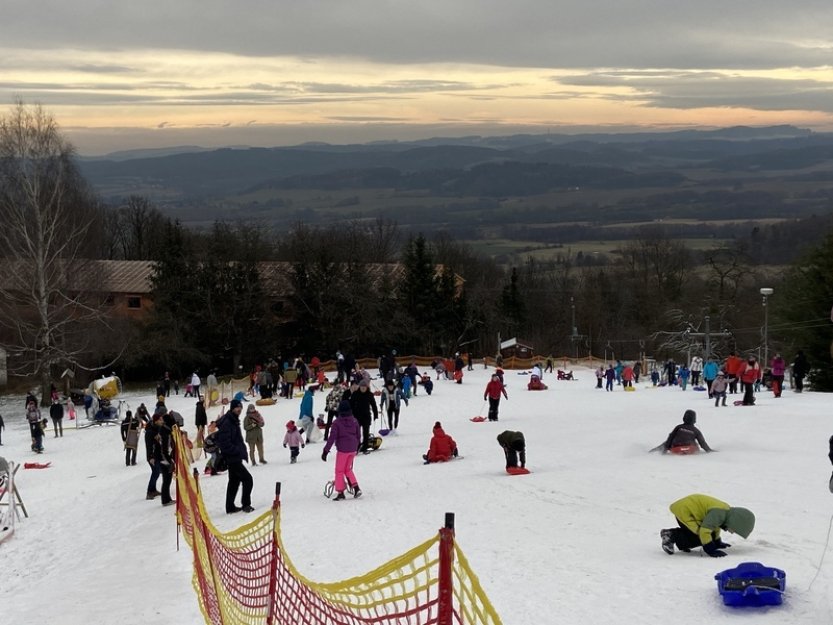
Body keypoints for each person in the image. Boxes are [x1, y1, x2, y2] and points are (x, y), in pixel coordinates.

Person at [660, 493, 755, 556]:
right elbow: (704, 531)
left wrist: (717, 542)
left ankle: (680, 540)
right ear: (735, 522)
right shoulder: (719, 512)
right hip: (685, 511)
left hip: (690, 510)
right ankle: (670, 535)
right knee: (700, 536)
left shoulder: (724, 512)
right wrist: (710, 549)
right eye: (734, 530)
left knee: (708, 536)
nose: (732, 532)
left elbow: (714, 526)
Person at [216, 399, 254, 514]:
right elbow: (224, 443)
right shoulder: (228, 422)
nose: (239, 410)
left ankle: (230, 507)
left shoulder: (233, 420)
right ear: (232, 408)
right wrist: (237, 451)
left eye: (240, 407)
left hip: (234, 457)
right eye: (237, 407)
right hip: (232, 457)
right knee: (247, 479)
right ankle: (246, 504)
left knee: (234, 481)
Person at [321, 400, 362, 500]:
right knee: (347, 469)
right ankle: (356, 488)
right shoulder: (354, 421)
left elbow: (332, 438)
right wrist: (357, 446)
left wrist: (325, 451)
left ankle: (340, 492)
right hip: (352, 449)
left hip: (343, 450)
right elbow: (358, 435)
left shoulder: (337, 423)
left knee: (339, 471)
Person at [153, 414, 176, 507]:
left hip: (163, 458)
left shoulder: (164, 431)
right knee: (166, 480)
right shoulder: (165, 433)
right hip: (164, 459)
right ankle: (165, 500)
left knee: (167, 480)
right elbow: (164, 449)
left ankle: (167, 498)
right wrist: (169, 461)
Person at [349, 378, 378, 453]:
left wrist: (375, 414)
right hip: (357, 416)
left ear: (366, 387)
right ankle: (357, 446)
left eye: (364, 387)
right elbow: (351, 405)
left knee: (366, 432)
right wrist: (350, 415)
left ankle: (365, 447)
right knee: (357, 433)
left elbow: (373, 405)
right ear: (360, 387)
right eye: (362, 387)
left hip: (366, 416)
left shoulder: (369, 394)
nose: (363, 388)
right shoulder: (355, 394)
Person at [145, 409, 163, 499]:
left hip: (157, 454)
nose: (162, 421)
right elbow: (149, 445)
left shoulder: (157, 429)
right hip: (152, 456)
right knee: (155, 472)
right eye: (160, 420)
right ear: (156, 421)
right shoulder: (150, 432)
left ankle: (153, 490)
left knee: (156, 472)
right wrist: (151, 457)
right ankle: (149, 492)